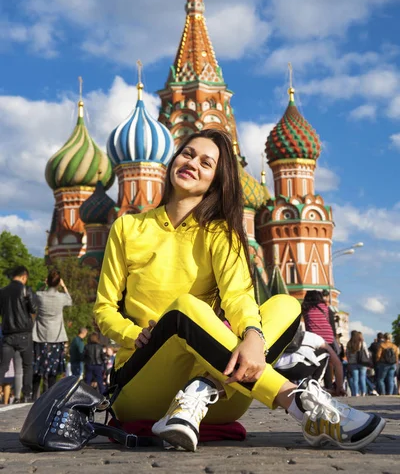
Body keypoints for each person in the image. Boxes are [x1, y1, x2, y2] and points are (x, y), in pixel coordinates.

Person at [94, 129, 385, 452]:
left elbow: (238, 296)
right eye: (188, 154)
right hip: (141, 387)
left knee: (286, 306)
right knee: (185, 308)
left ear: (216, 181)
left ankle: (200, 390)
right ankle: (299, 402)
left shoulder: (221, 233)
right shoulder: (129, 227)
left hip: (218, 401)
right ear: (174, 159)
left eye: (207, 163)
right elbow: (104, 308)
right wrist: (132, 334)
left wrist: (252, 336)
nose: (193, 163)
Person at [32, 269, 72, 399]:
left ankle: (34, 395)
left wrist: (43, 285)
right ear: (58, 283)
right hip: (56, 336)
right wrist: (64, 286)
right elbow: (70, 300)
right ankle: (51, 396)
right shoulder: (61, 298)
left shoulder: (40, 295)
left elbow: (33, 300)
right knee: (53, 370)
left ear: (48, 281)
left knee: (38, 368)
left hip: (40, 335)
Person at [0, 265, 36, 402]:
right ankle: (26, 396)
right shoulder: (26, 290)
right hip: (24, 334)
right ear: (24, 276)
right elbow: (33, 309)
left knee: (3, 366)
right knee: (27, 366)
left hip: (8, 334)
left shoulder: (2, 292)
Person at [273, 328, 345, 394]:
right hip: (298, 367)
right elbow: (337, 363)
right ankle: (315, 386)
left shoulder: (286, 336)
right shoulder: (317, 339)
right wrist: (339, 387)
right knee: (326, 353)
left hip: (278, 369)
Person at [302, 290, 336, 390]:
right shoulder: (326, 308)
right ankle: (328, 386)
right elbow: (331, 324)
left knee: (314, 361)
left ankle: (313, 383)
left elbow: (308, 325)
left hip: (314, 339)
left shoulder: (305, 308)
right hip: (328, 338)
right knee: (327, 364)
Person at [346, 331, 371, 397]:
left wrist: (349, 361)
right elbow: (367, 353)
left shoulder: (349, 343)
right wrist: (367, 360)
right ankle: (363, 392)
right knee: (362, 378)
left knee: (355, 379)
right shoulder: (362, 343)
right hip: (362, 363)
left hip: (353, 363)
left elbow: (347, 354)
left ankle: (356, 393)